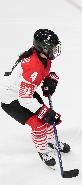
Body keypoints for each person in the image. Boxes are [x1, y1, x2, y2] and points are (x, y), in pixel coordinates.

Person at [0, 29, 70, 167]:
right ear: (42, 48)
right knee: (39, 122)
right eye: (52, 47)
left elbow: (34, 78)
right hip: (11, 98)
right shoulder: (34, 66)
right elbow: (24, 98)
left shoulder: (42, 56)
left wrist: (50, 79)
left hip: (23, 91)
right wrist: (44, 112)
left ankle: (51, 141)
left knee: (46, 117)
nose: (55, 50)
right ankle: (43, 150)